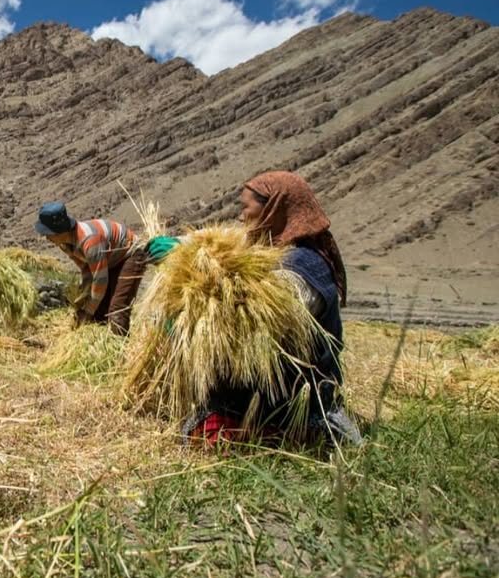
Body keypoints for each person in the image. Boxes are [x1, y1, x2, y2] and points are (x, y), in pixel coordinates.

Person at [164, 171, 359, 446]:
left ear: (273, 210)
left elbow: (255, 330)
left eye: (246, 208)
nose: (241, 217)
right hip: (266, 394)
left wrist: (194, 324)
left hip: (295, 404)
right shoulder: (273, 247)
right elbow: (222, 237)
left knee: (210, 435)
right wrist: (180, 248)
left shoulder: (303, 267)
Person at [35, 201, 145, 336]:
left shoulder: (90, 241)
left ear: (59, 231)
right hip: (109, 260)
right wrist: (84, 296)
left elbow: (100, 281)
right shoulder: (65, 244)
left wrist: (87, 312)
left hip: (131, 255)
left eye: (48, 233)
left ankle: (122, 350)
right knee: (99, 311)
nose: (46, 237)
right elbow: (86, 269)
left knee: (117, 310)